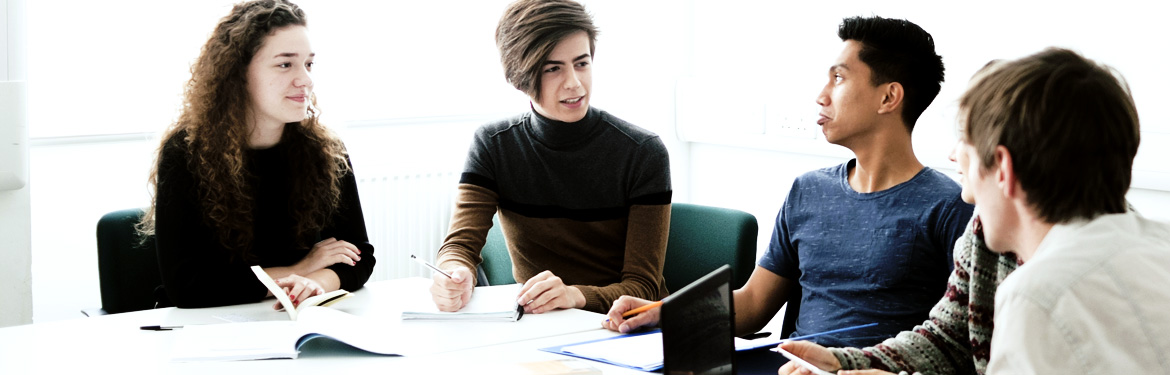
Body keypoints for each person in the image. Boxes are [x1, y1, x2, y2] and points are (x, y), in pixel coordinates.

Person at [778, 49, 1168, 375]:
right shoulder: (1155, 245)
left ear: (1003, 169)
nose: (952, 155)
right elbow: (950, 337)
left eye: (963, 139)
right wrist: (842, 360)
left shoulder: (1037, 295)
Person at [605, 16, 973, 349]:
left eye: (839, 77)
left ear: (888, 97)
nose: (821, 95)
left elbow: (963, 339)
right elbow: (751, 305)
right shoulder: (808, 191)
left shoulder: (949, 206)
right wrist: (663, 310)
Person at [429, 0, 672, 315]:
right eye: (553, 68)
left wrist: (574, 295)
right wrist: (454, 273)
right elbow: (459, 247)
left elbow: (643, 287)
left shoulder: (642, 151)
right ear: (521, 77)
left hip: (625, 327)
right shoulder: (493, 145)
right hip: (540, 326)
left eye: (582, 63)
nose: (574, 82)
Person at [141, 0, 375, 309]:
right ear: (237, 73)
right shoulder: (185, 153)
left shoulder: (326, 150)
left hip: (286, 319)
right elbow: (188, 287)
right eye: (285, 64)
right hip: (203, 331)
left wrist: (315, 284)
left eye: (308, 64)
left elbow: (358, 257)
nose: (305, 79)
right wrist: (300, 269)